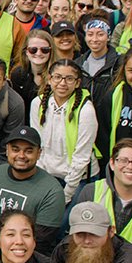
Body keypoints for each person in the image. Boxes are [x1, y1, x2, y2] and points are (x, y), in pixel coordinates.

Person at [0, 126, 66, 256]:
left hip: (26, 256)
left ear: (39, 153)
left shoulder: (52, 191)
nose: (21, 156)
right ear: (7, 151)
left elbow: (41, 242)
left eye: (28, 151)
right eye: (15, 150)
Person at [30, 59, 97, 201]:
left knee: (64, 221)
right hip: (46, 175)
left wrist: (67, 194)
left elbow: (82, 157)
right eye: (57, 77)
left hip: (78, 179)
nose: (62, 83)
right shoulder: (38, 104)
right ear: (49, 79)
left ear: (77, 83)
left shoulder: (85, 110)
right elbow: (36, 145)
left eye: (69, 79)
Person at [10, 28, 56, 110]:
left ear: (51, 51)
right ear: (26, 51)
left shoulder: (58, 75)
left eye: (44, 50)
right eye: (33, 50)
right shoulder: (17, 75)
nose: (38, 53)